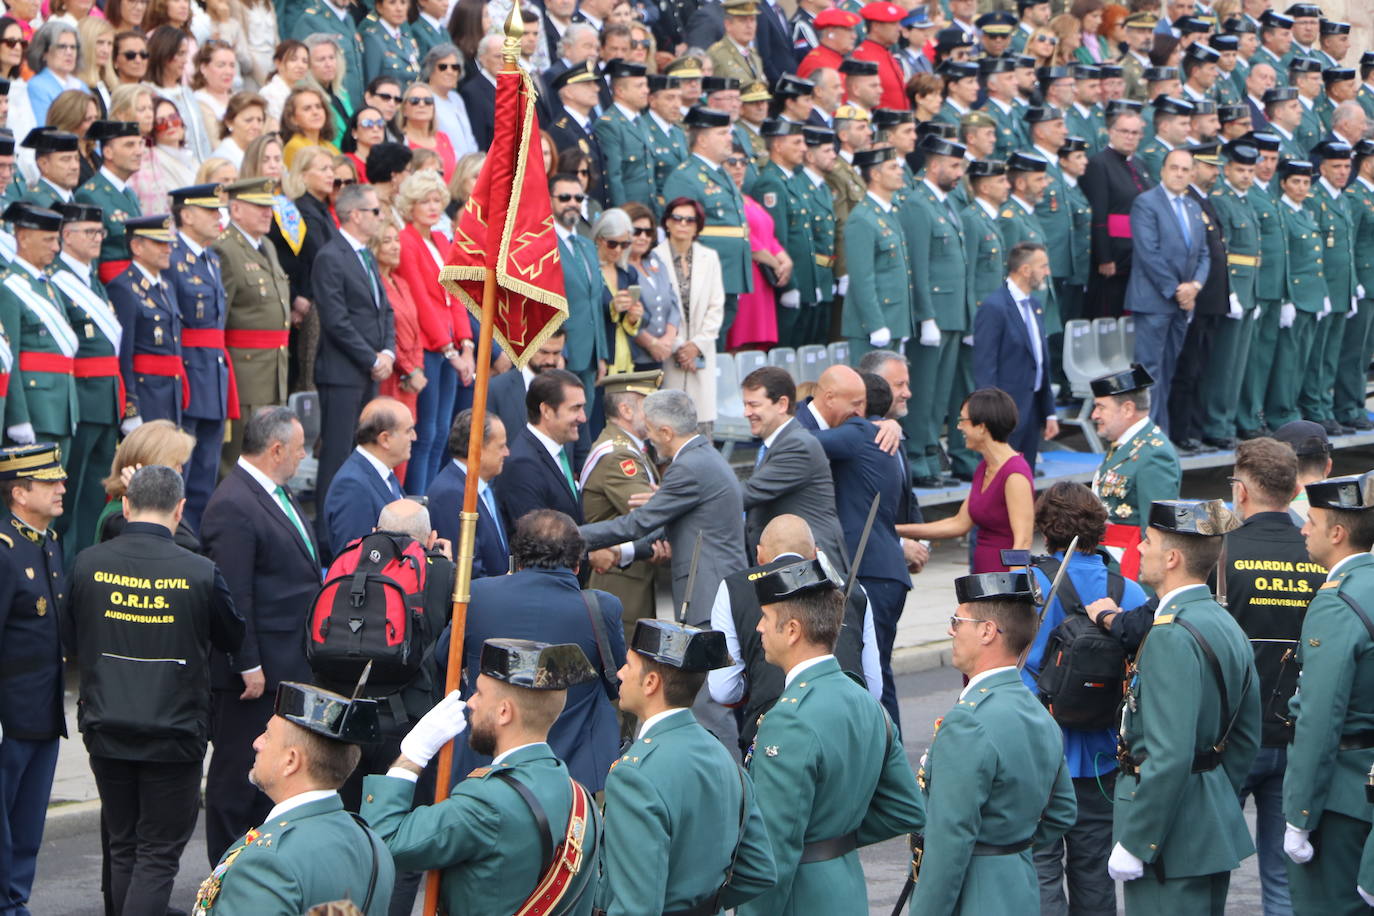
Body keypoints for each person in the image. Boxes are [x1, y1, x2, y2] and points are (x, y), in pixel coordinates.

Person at [66, 465, 243, 916]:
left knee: (125, 846)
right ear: (181, 509)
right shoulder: (200, 571)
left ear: (125, 505)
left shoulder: (88, 562)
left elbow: (70, 636)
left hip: (107, 724)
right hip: (175, 729)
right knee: (158, 855)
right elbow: (232, 635)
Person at [738, 557, 924, 916]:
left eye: (765, 617)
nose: (759, 627)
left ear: (791, 630)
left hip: (800, 897)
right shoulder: (865, 701)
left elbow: (775, 851)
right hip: (847, 889)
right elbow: (906, 809)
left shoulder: (788, 719)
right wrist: (838, 837)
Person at [361, 638, 601, 915]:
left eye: (479, 693)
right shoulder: (582, 800)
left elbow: (383, 842)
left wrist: (412, 755)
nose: (470, 702)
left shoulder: (488, 801)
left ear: (504, 712)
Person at [1109, 499, 1260, 913]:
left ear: (1172, 558)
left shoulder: (1171, 635)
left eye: (1149, 541)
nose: (1140, 548)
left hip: (1168, 844)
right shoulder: (1221, 620)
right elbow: (1246, 737)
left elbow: (1169, 755)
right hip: (1204, 824)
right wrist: (1210, 796)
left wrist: (1139, 842)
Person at [911, 570, 1078, 915]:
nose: (950, 630)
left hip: (975, 895)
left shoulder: (969, 720)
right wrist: (1009, 845)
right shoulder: (1038, 711)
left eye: (958, 621)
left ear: (987, 631)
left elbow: (949, 840)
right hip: (1019, 885)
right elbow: (1061, 812)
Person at [200, 406, 322, 864]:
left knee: (266, 782)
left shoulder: (273, 493)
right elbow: (234, 593)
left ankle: (256, 875)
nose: (303, 455)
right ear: (275, 450)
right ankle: (223, 884)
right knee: (236, 782)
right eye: (298, 448)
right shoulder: (235, 503)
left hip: (283, 666)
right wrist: (246, 661)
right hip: (252, 677)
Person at [1021, 483, 1148, 916]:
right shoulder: (1130, 591)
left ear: (1046, 528)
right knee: (1095, 875)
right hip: (1104, 758)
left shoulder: (1029, 585)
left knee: (1040, 868)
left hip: (1042, 751)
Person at [598, 619, 777, 914]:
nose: (619, 673)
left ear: (651, 683)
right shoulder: (725, 758)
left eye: (628, 666)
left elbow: (635, 908)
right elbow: (758, 870)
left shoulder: (634, 775)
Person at [198, 681, 396, 914]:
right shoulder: (373, 844)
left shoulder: (266, 860)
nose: (257, 742)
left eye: (268, 735)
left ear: (291, 761)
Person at [709, 514, 879, 755]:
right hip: (854, 729)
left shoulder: (733, 588)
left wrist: (757, 679)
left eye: (764, 619)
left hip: (769, 733)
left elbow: (723, 689)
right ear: (815, 554)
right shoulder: (853, 587)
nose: (760, 626)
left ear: (759, 554)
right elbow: (873, 687)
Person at [1282, 472, 1374, 915]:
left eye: (1311, 521)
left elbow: (1319, 717)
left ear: (1337, 533)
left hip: (1339, 798)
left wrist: (1299, 816)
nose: (1302, 529)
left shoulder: (1338, 600)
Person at [0, 444, 67, 916]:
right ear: (19, 493)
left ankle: (14, 900)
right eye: (50, 482)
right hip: (9, 716)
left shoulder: (49, 540)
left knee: (27, 824)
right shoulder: (4, 552)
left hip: (43, 712)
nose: (62, 487)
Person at [312, 182, 395, 521]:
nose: (381, 217)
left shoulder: (364, 256)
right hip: (342, 373)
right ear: (355, 215)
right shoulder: (331, 257)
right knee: (337, 455)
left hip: (368, 370)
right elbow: (336, 320)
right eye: (375, 211)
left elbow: (384, 309)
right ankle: (328, 534)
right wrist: (372, 357)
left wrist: (388, 351)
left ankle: (358, 520)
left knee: (363, 452)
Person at [393, 169, 473, 493]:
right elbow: (421, 300)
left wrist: (466, 345)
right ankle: (417, 498)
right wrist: (449, 349)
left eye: (437, 199)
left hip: (450, 345)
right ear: (410, 205)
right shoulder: (406, 241)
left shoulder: (442, 239)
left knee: (442, 431)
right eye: (424, 200)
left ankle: (436, 496)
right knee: (425, 432)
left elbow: (457, 295)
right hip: (428, 347)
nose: (432, 206)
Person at [899, 388, 1034, 574]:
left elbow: (1023, 541)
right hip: (982, 577)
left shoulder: (1015, 474)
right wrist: (896, 530)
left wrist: (1014, 590)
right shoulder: (984, 467)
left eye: (963, 420)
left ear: (982, 427)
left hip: (1002, 583)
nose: (958, 427)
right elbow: (959, 523)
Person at [45, 201, 116, 554]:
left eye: (100, 232)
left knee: (93, 500)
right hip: (82, 398)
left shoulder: (92, 278)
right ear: (66, 235)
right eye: (89, 232)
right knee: (67, 502)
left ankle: (84, 568)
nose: (97, 239)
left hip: (106, 398)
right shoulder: (56, 280)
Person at [901, 134, 970, 487]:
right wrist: (925, 314)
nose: (959, 173)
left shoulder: (946, 203)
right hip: (934, 316)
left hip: (952, 314)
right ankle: (918, 460)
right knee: (924, 391)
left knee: (940, 393)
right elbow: (918, 265)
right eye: (954, 165)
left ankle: (932, 457)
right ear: (935, 164)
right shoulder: (918, 204)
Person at [1126, 147, 1209, 435]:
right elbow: (1149, 252)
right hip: (1154, 301)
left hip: (1182, 303)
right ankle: (1145, 436)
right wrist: (1176, 290)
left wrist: (1195, 286)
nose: (1179, 174)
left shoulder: (1193, 207)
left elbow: (1204, 254)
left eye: (1185, 170)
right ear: (1162, 171)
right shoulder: (1146, 203)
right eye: (1174, 168)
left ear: (1192, 174)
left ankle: (1160, 433)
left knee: (1169, 370)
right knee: (1148, 373)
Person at [212, 176, 292, 476]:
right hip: (243, 374)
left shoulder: (267, 246)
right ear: (235, 210)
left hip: (273, 369)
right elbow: (219, 318)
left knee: (267, 454)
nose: (266, 213)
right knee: (237, 459)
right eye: (258, 206)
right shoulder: (226, 249)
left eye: (268, 207)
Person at [579, 370, 664, 648]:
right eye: (649, 405)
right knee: (623, 679)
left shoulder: (630, 448)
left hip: (631, 579)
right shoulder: (619, 455)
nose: (657, 413)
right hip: (619, 585)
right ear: (626, 410)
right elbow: (652, 518)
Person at [164, 183, 231, 532]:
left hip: (213, 372)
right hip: (190, 372)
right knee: (184, 469)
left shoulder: (211, 259)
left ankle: (197, 539)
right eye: (211, 211)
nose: (219, 217)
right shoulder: (172, 259)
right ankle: (180, 539)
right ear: (186, 215)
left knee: (206, 471)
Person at [739, 366, 848, 571]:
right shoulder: (777, 443)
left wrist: (700, 495)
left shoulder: (797, 445)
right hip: (794, 566)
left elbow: (749, 493)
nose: (746, 413)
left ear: (782, 404)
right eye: (745, 405)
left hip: (812, 567)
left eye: (753, 405)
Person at [661, 107, 750, 348]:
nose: (729, 138)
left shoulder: (721, 173)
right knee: (705, 339)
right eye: (722, 133)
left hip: (728, 269)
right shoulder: (686, 177)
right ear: (702, 139)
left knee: (718, 337)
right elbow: (680, 231)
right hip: (703, 272)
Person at [972, 241, 1060, 470]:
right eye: (1043, 266)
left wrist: (1049, 411)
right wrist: (991, 415)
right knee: (1002, 479)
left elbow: (1041, 362)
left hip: (1032, 410)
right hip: (1005, 414)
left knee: (1024, 477)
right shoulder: (994, 307)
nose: (1047, 272)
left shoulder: (1035, 305)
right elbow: (984, 366)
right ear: (1025, 270)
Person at [1088, 364, 1181, 578]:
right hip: (1110, 561)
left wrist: (1146, 588)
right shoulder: (1125, 442)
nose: (1094, 415)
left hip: (1129, 569)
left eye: (1101, 407)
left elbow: (1157, 531)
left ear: (1128, 409)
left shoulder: (1154, 454)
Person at [0, 202, 79, 455]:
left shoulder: (48, 286)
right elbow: (9, 356)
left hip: (61, 407)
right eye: (48, 240)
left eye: (56, 240)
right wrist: (18, 417)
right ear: (22, 237)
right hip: (35, 410)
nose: (56, 248)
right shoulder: (9, 286)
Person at [107, 214, 183, 429]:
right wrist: (131, 407)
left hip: (170, 393)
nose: (167, 249)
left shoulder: (166, 286)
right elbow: (124, 353)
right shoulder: (123, 287)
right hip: (146, 394)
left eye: (168, 243)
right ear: (136, 247)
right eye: (159, 243)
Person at [656, 196, 724, 433]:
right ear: (667, 223)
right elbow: (657, 311)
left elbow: (717, 307)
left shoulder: (710, 257)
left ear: (697, 225)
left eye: (690, 220)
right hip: (668, 351)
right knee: (668, 425)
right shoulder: (654, 258)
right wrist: (679, 348)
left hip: (701, 355)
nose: (683, 224)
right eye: (677, 218)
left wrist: (696, 345)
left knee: (701, 426)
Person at [496, 368, 593, 530]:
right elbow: (539, 539)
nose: (583, 418)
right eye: (575, 408)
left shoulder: (559, 450)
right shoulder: (523, 465)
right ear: (546, 410)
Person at [320, 397, 415, 560]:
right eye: (408, 431)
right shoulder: (352, 486)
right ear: (385, 439)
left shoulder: (382, 474)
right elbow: (356, 562)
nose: (414, 437)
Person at [1081, 108, 1151, 319]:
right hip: (1114, 255)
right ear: (1110, 132)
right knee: (1109, 313)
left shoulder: (1139, 164)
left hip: (1137, 252)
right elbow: (1099, 214)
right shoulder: (1099, 163)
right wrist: (1105, 257)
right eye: (1124, 131)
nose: (1130, 137)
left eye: (1135, 133)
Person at [426, 408, 510, 579]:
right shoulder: (450, 495)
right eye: (501, 446)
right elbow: (467, 571)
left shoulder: (481, 486)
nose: (507, 453)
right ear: (477, 448)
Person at [484, 327, 566, 442]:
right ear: (527, 347)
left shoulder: (569, 389)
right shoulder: (496, 389)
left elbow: (581, 449)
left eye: (556, 353)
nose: (550, 361)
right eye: (544, 352)